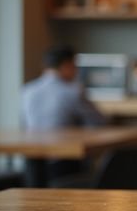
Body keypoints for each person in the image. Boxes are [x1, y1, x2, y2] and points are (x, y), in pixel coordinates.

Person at [21, 44, 106, 177]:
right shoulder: (73, 91)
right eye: (75, 66)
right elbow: (99, 121)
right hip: (64, 164)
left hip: (32, 165)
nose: (77, 71)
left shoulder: (27, 91)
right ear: (66, 65)